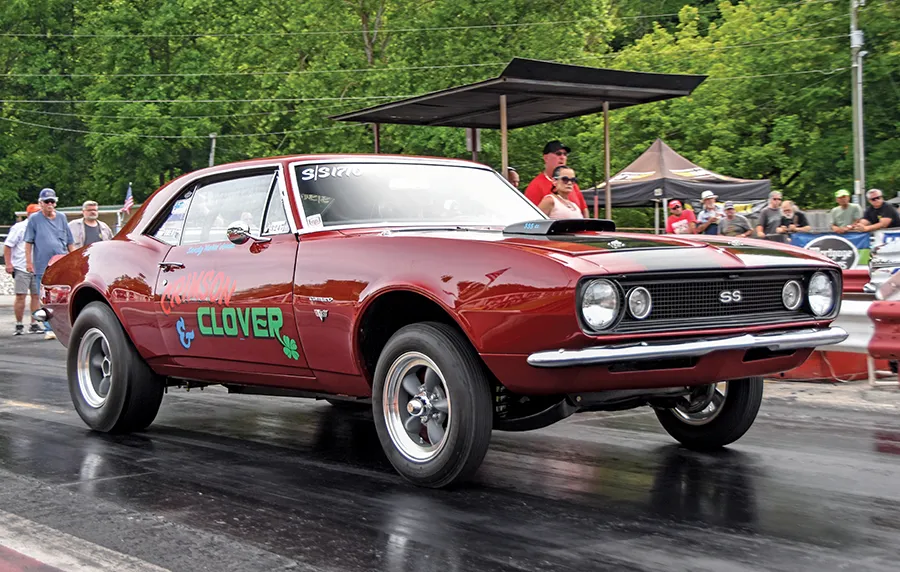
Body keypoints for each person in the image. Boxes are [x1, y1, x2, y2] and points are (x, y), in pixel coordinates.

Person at [24, 188, 76, 340]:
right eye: (47, 202)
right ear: (40, 203)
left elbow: (70, 242)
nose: (50, 204)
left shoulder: (62, 217)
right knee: (45, 297)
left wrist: (73, 260)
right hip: (42, 264)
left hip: (61, 262)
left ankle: (65, 327)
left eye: (52, 201)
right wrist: (29, 262)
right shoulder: (34, 219)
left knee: (63, 296)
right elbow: (28, 242)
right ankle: (48, 328)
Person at [3, 204, 43, 335]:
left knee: (36, 296)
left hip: (37, 266)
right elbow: (8, 246)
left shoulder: (42, 226)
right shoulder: (19, 228)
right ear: (29, 214)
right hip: (21, 266)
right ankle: (19, 324)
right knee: (21, 295)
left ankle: (34, 323)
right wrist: (9, 264)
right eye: (36, 212)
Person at [524, 140, 589, 218]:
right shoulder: (535, 186)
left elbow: (584, 210)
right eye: (558, 154)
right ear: (546, 158)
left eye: (565, 154)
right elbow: (531, 218)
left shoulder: (572, 184)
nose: (562, 157)